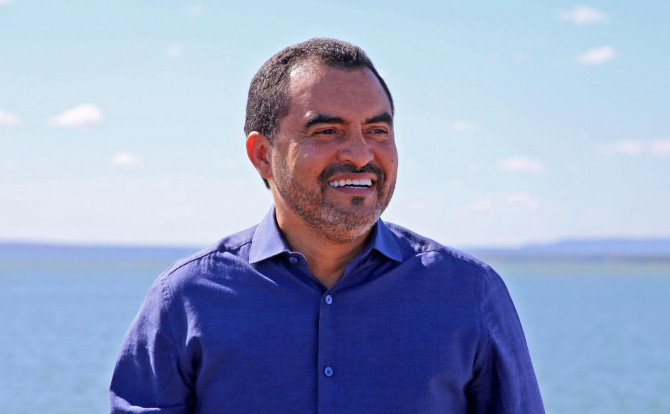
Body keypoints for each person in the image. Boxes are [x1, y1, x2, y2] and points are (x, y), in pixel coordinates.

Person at [110, 38, 545, 413]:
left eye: (377, 130)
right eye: (327, 131)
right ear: (263, 155)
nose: (360, 154)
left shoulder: (469, 293)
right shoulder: (186, 299)